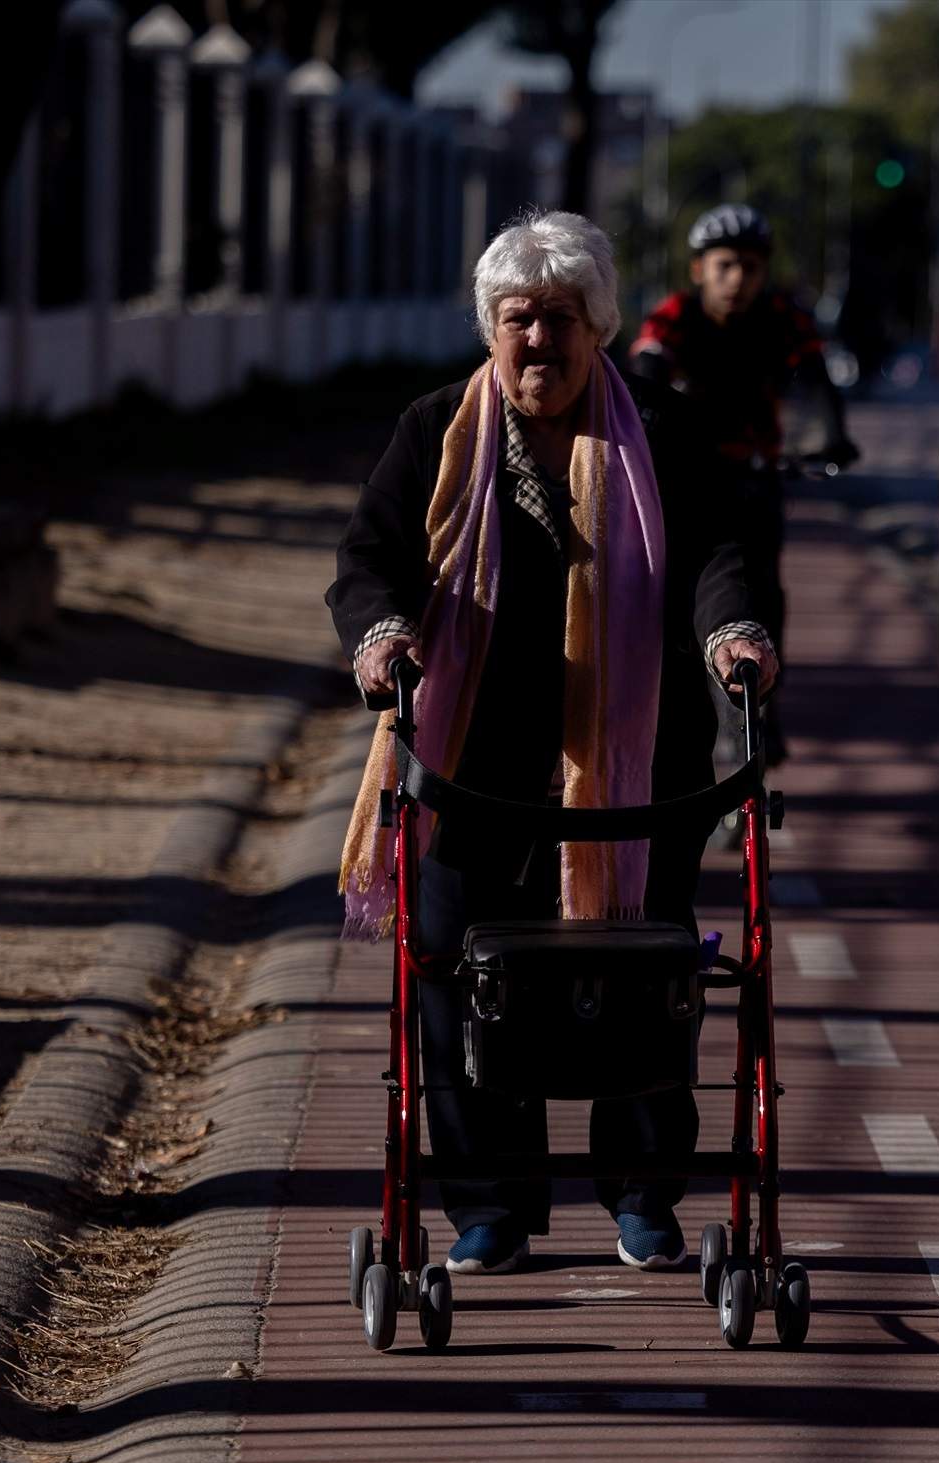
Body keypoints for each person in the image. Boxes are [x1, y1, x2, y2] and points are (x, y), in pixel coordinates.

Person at [329, 209, 777, 1279]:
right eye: (519, 318)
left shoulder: (662, 430)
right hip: (469, 764)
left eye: (561, 318)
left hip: (636, 771)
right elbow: (369, 557)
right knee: (456, 979)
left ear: (600, 327)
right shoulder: (435, 427)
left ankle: (641, 1197)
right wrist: (382, 632)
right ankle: (491, 1208)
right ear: (491, 328)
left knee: (642, 976)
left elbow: (720, 547)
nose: (539, 340)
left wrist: (732, 632)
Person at [630, 203, 858, 761]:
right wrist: (648, 417)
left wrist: (835, 434)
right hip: (691, 479)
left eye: (751, 267)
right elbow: (647, 363)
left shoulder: (782, 316)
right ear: (698, 269)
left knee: (767, 591)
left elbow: (821, 372)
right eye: (725, 264)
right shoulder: (675, 314)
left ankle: (765, 703)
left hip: (758, 473)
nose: (738, 279)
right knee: (685, 588)